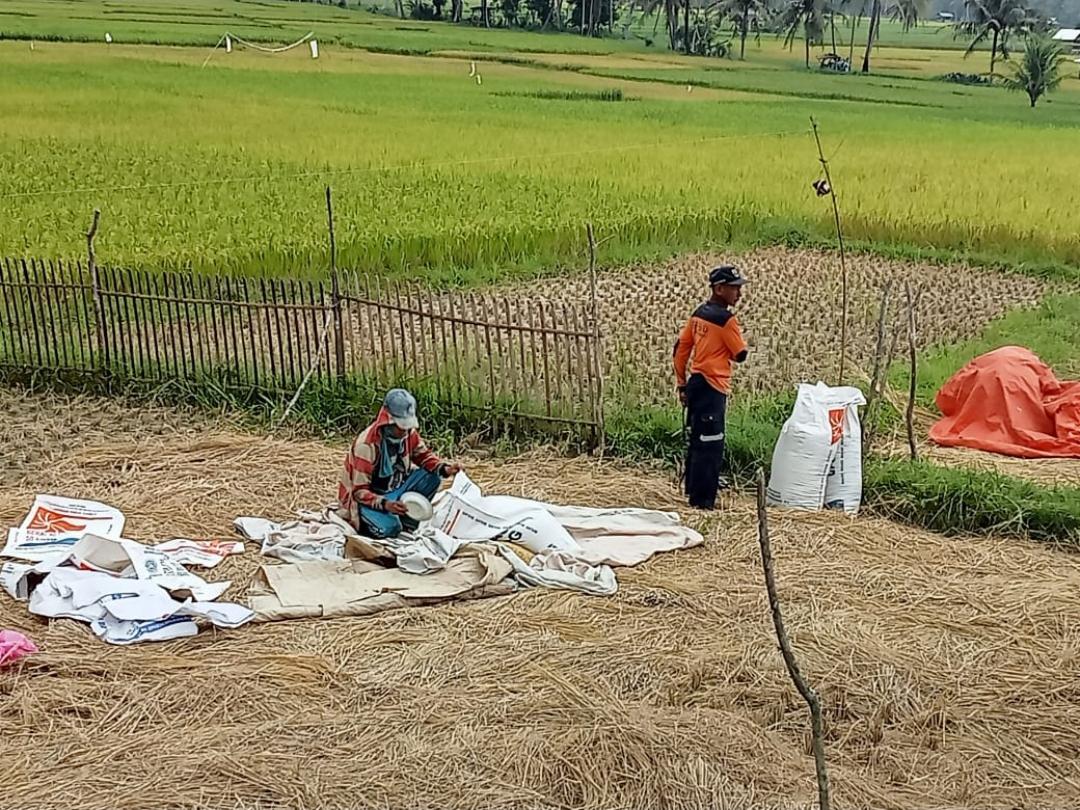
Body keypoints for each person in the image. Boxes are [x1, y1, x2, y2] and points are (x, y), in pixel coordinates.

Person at [336, 388, 462, 539]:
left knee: (432, 476)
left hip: (394, 488)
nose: (405, 431)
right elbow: (359, 492)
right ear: (388, 421)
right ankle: (378, 523)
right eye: (401, 426)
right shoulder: (366, 446)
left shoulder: (408, 434)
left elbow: (424, 456)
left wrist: (445, 469)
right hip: (367, 500)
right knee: (390, 528)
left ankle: (407, 522)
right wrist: (385, 504)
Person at [673, 265, 750, 510]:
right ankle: (704, 503)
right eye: (734, 289)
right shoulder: (726, 321)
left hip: (696, 384)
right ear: (719, 289)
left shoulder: (698, 315)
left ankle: (692, 493)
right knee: (711, 443)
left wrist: (682, 384)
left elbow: (680, 350)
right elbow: (740, 354)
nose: (739, 294)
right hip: (714, 386)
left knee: (697, 440)